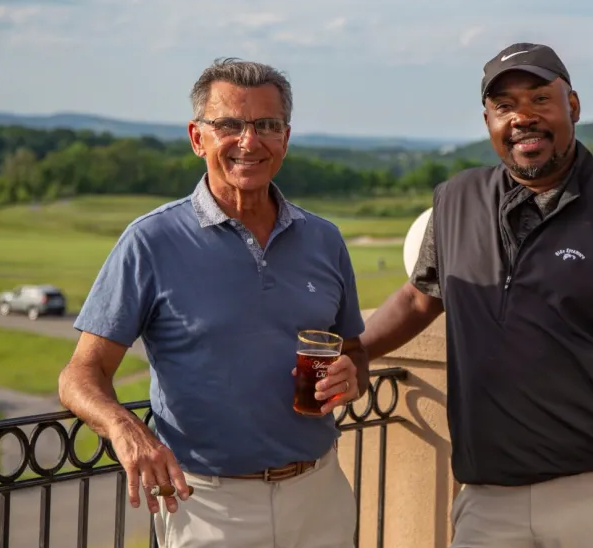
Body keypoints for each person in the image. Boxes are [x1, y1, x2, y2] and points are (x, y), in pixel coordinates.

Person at [357, 43, 593, 547]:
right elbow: (419, 298)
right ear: (487, 120)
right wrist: (353, 351)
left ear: (574, 107)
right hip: (488, 501)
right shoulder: (455, 200)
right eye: (505, 106)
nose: (523, 117)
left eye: (541, 99)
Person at [58, 58, 368, 548]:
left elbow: (354, 350)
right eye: (229, 124)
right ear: (197, 137)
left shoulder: (325, 240)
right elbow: (79, 376)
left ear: (285, 139)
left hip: (321, 494)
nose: (249, 141)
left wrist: (352, 374)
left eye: (266, 125)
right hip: (206, 507)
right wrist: (127, 429)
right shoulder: (150, 241)